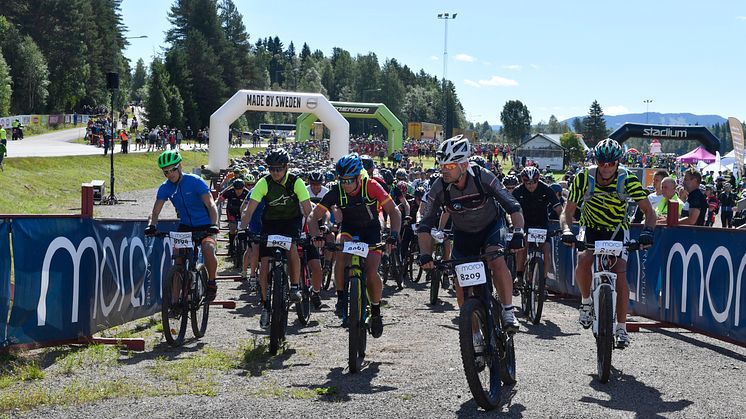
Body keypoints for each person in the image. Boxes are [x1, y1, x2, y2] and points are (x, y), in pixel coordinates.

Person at [418, 135, 525, 332]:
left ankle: (508, 311)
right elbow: (425, 224)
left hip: (491, 228)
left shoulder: (483, 177)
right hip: (464, 234)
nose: (444, 171)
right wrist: (425, 254)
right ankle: (471, 329)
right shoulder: (439, 187)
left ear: (464, 164)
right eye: (442, 166)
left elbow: (513, 206)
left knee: (496, 260)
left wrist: (518, 232)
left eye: (449, 166)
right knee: (460, 280)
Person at [560, 139, 655, 349]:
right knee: (584, 258)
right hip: (590, 226)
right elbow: (567, 211)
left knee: (620, 273)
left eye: (610, 163)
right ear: (596, 161)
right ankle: (586, 302)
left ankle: (621, 327)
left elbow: (649, 211)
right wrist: (567, 230)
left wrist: (648, 232)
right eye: (602, 162)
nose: (605, 167)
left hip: (616, 229)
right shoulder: (583, 177)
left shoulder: (627, 179)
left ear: (618, 163)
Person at [308, 153, 401, 338]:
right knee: (340, 251)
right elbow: (313, 216)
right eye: (342, 180)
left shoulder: (372, 186)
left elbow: (394, 211)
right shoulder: (337, 190)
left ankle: (375, 312)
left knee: (372, 272)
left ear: (359, 177)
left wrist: (393, 235)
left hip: (371, 231)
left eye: (350, 180)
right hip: (350, 229)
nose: (346, 184)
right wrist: (316, 236)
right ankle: (341, 298)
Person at [240, 148, 313, 330]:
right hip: (271, 223)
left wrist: (312, 232)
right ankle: (265, 304)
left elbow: (307, 210)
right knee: (264, 262)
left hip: (291, 222)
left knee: (293, 249)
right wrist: (242, 229)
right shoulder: (263, 183)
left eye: (278, 169)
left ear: (286, 167)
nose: (275, 173)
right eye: (271, 169)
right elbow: (249, 210)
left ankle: (295, 286)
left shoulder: (296, 182)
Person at [145, 150, 220, 301]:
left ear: (180, 166)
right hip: (185, 225)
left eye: (172, 169)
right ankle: (175, 301)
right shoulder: (165, 187)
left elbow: (211, 204)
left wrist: (213, 225)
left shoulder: (195, 181)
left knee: (207, 248)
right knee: (178, 259)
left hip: (206, 224)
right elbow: (155, 211)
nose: (170, 174)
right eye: (165, 172)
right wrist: (152, 226)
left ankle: (212, 282)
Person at [511, 166, 562, 293]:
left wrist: (564, 226)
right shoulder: (518, 191)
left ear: (538, 180)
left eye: (534, 182)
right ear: (523, 181)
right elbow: (510, 210)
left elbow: (559, 210)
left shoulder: (546, 189)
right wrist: (513, 224)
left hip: (541, 224)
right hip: (524, 223)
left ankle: (543, 282)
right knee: (523, 244)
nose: (531, 185)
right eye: (527, 183)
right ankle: (519, 275)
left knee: (547, 251)